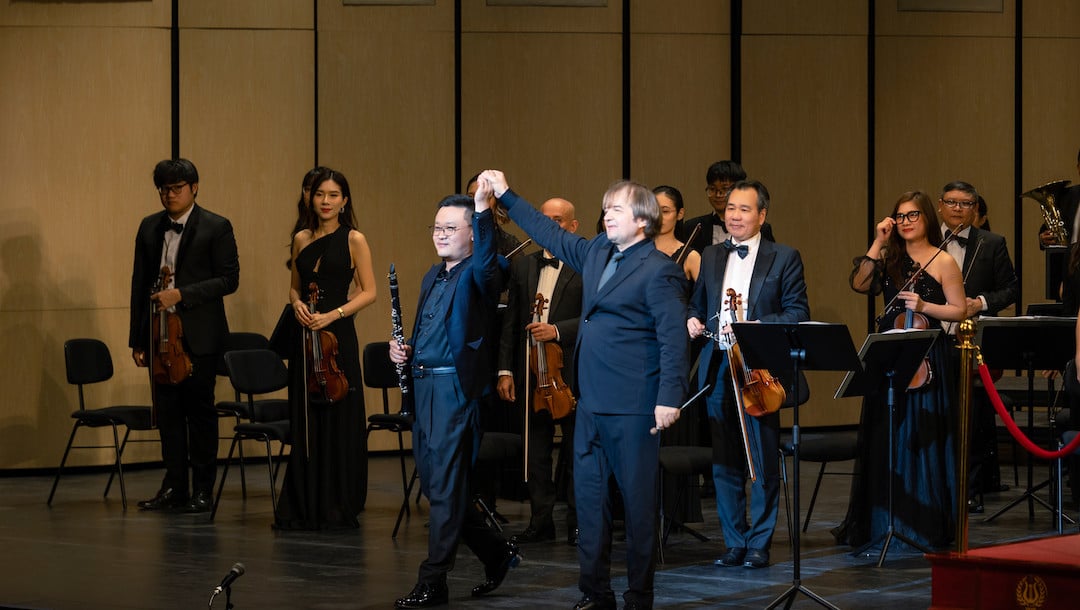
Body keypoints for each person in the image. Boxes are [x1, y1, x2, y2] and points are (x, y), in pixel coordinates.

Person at [482, 169, 689, 610]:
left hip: (634, 407)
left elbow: (673, 338)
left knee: (636, 509)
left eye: (616, 209)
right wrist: (506, 194)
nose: (606, 215)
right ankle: (595, 593)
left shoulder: (659, 271)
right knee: (589, 504)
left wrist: (670, 397)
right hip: (589, 402)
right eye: (606, 208)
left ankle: (638, 597)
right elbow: (545, 231)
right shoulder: (597, 251)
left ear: (642, 221)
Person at [389, 192, 518, 609]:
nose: (440, 235)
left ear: (473, 234)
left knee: (444, 489)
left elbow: (487, 261)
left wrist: (483, 210)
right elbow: (434, 334)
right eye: (437, 228)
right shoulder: (432, 275)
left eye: (450, 228)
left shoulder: (485, 271)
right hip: (425, 386)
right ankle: (497, 554)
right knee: (439, 488)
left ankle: (434, 580)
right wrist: (405, 350)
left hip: (455, 392)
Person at [686, 180, 809, 569]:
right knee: (724, 461)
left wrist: (756, 325)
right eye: (730, 209)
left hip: (758, 368)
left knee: (762, 460)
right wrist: (691, 319)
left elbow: (797, 313)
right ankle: (734, 541)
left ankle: (760, 542)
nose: (734, 215)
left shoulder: (784, 256)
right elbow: (697, 304)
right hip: (719, 365)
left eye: (743, 209)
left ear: (762, 215)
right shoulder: (709, 254)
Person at [836, 191, 967, 551]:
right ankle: (884, 521)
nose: (906, 222)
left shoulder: (943, 262)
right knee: (885, 434)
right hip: (890, 352)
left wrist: (925, 305)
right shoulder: (890, 257)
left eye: (913, 215)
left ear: (926, 218)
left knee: (919, 440)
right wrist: (878, 240)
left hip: (926, 355)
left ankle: (921, 523)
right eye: (900, 216)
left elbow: (958, 310)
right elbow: (860, 284)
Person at [129, 158, 240, 513]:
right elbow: (139, 285)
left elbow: (229, 279)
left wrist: (183, 294)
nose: (169, 195)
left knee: (201, 414)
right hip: (160, 336)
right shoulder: (149, 228)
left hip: (198, 336)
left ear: (194, 188)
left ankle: (203, 489)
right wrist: (138, 339)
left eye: (177, 188)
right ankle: (174, 486)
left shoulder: (216, 226)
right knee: (168, 415)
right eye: (164, 189)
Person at [274, 168, 376, 530]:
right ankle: (305, 502)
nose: (327, 201)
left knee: (338, 415)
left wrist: (333, 314)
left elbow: (369, 291)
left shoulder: (355, 239)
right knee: (307, 418)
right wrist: (298, 305)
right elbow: (294, 287)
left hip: (337, 336)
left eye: (334, 195)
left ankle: (337, 500)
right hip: (305, 335)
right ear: (310, 198)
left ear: (344, 200)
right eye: (320, 195)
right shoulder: (301, 238)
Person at [496, 197, 583, 547]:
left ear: (573, 227)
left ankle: (579, 522)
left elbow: (595, 317)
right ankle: (541, 521)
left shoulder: (585, 264)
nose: (550, 226)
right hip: (531, 372)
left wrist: (557, 330)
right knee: (536, 452)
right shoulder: (522, 267)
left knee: (578, 452)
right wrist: (505, 370)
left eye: (558, 220)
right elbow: (511, 323)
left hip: (572, 372)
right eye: (544, 220)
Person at [937, 181, 1018, 511]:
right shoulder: (925, 240)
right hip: (932, 340)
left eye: (966, 203)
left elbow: (1010, 289)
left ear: (976, 209)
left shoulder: (993, 243)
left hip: (970, 343)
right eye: (952, 202)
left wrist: (981, 302)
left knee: (967, 420)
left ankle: (967, 491)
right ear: (940, 206)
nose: (958, 209)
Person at [683, 160, 774, 254]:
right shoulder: (693, 227)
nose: (718, 194)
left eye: (724, 189)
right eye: (713, 189)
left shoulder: (760, 227)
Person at [466, 172, 524, 257]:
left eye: (485, 196)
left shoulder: (510, 244)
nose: (477, 201)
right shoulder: (456, 238)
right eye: (471, 197)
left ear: (496, 202)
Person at [653, 185, 701, 282]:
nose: (658, 217)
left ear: (680, 214)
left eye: (665, 211)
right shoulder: (640, 251)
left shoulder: (691, 257)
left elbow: (704, 294)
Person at [286, 166, 331, 268]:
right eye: (308, 189)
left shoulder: (348, 237)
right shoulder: (301, 235)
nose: (311, 195)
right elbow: (295, 283)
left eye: (318, 190)